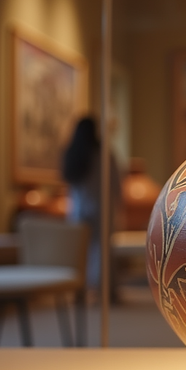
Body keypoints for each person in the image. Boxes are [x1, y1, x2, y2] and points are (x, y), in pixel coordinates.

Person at [61, 116, 122, 291]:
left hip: (79, 209)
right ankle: (105, 290)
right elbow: (116, 184)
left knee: (80, 251)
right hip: (102, 208)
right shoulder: (104, 154)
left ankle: (80, 289)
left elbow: (71, 187)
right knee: (102, 250)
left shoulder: (73, 154)